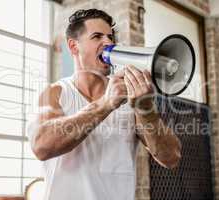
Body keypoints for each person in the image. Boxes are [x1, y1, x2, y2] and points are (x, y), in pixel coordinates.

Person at [27, 8, 181, 200]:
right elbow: (41, 145)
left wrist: (146, 111)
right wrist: (105, 104)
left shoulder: (129, 98)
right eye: (97, 36)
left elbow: (171, 157)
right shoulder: (54, 93)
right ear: (74, 46)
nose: (108, 42)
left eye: (110, 37)